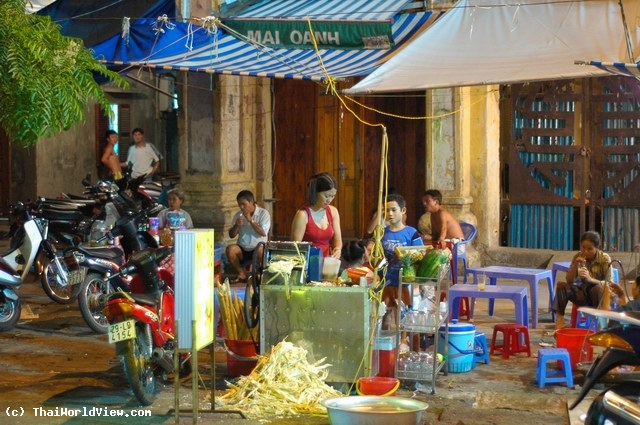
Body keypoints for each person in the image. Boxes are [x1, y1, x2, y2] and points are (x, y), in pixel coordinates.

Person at [552, 231, 613, 330]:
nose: (585, 251)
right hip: (582, 293)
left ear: (597, 247)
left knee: (596, 288)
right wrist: (575, 265)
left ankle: (601, 324)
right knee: (561, 286)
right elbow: (569, 281)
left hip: (599, 297)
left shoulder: (604, 259)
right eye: (583, 247)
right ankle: (560, 320)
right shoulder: (578, 256)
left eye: (590, 249)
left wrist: (590, 279)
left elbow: (609, 283)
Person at [380, 194, 422, 310]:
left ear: (403, 210)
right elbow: (377, 255)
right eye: (387, 210)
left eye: (393, 210)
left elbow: (419, 255)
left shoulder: (412, 233)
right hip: (386, 280)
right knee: (384, 313)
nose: (390, 214)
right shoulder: (381, 233)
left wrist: (405, 256)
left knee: (406, 314)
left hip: (406, 280)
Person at [291, 172, 342, 259]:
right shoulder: (303, 215)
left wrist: (338, 248)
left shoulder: (333, 211)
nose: (329, 200)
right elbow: (296, 247)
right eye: (326, 196)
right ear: (316, 193)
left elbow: (337, 238)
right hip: (307, 262)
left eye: (332, 196)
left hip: (327, 262)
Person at [226, 190, 271, 282]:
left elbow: (263, 232)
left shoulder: (263, 213)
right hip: (243, 248)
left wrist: (251, 220)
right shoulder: (238, 215)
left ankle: (261, 275)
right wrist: (237, 226)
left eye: (244, 204)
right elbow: (231, 235)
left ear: (251, 202)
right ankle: (241, 273)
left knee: (260, 250)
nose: (241, 207)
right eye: (239, 205)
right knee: (230, 249)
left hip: (258, 248)